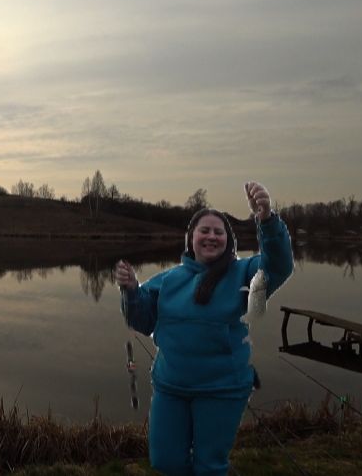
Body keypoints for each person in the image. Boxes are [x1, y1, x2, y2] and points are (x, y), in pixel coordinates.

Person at [115, 181, 293, 476]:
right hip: (170, 387)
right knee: (166, 462)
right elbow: (142, 321)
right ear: (191, 238)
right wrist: (132, 290)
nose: (211, 236)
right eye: (204, 231)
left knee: (209, 466)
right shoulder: (169, 279)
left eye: (218, 232)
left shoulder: (244, 273)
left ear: (229, 241)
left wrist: (267, 220)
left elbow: (279, 266)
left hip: (222, 389)